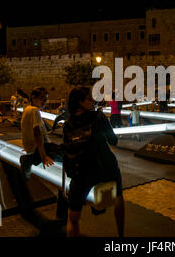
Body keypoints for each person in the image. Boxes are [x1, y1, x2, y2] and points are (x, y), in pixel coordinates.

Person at [62, 87, 124, 237]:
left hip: (80, 172)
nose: (93, 101)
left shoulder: (67, 123)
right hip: (105, 169)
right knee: (119, 201)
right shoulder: (98, 117)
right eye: (90, 99)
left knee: (73, 218)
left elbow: (66, 151)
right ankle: (121, 236)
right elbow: (113, 140)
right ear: (80, 102)